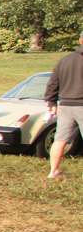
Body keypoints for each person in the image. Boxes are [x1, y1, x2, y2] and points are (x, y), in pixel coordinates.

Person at [43, 33, 83, 180]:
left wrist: (51, 102)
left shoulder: (65, 60)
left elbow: (53, 82)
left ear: (80, 40)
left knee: (60, 139)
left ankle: (53, 171)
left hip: (65, 105)